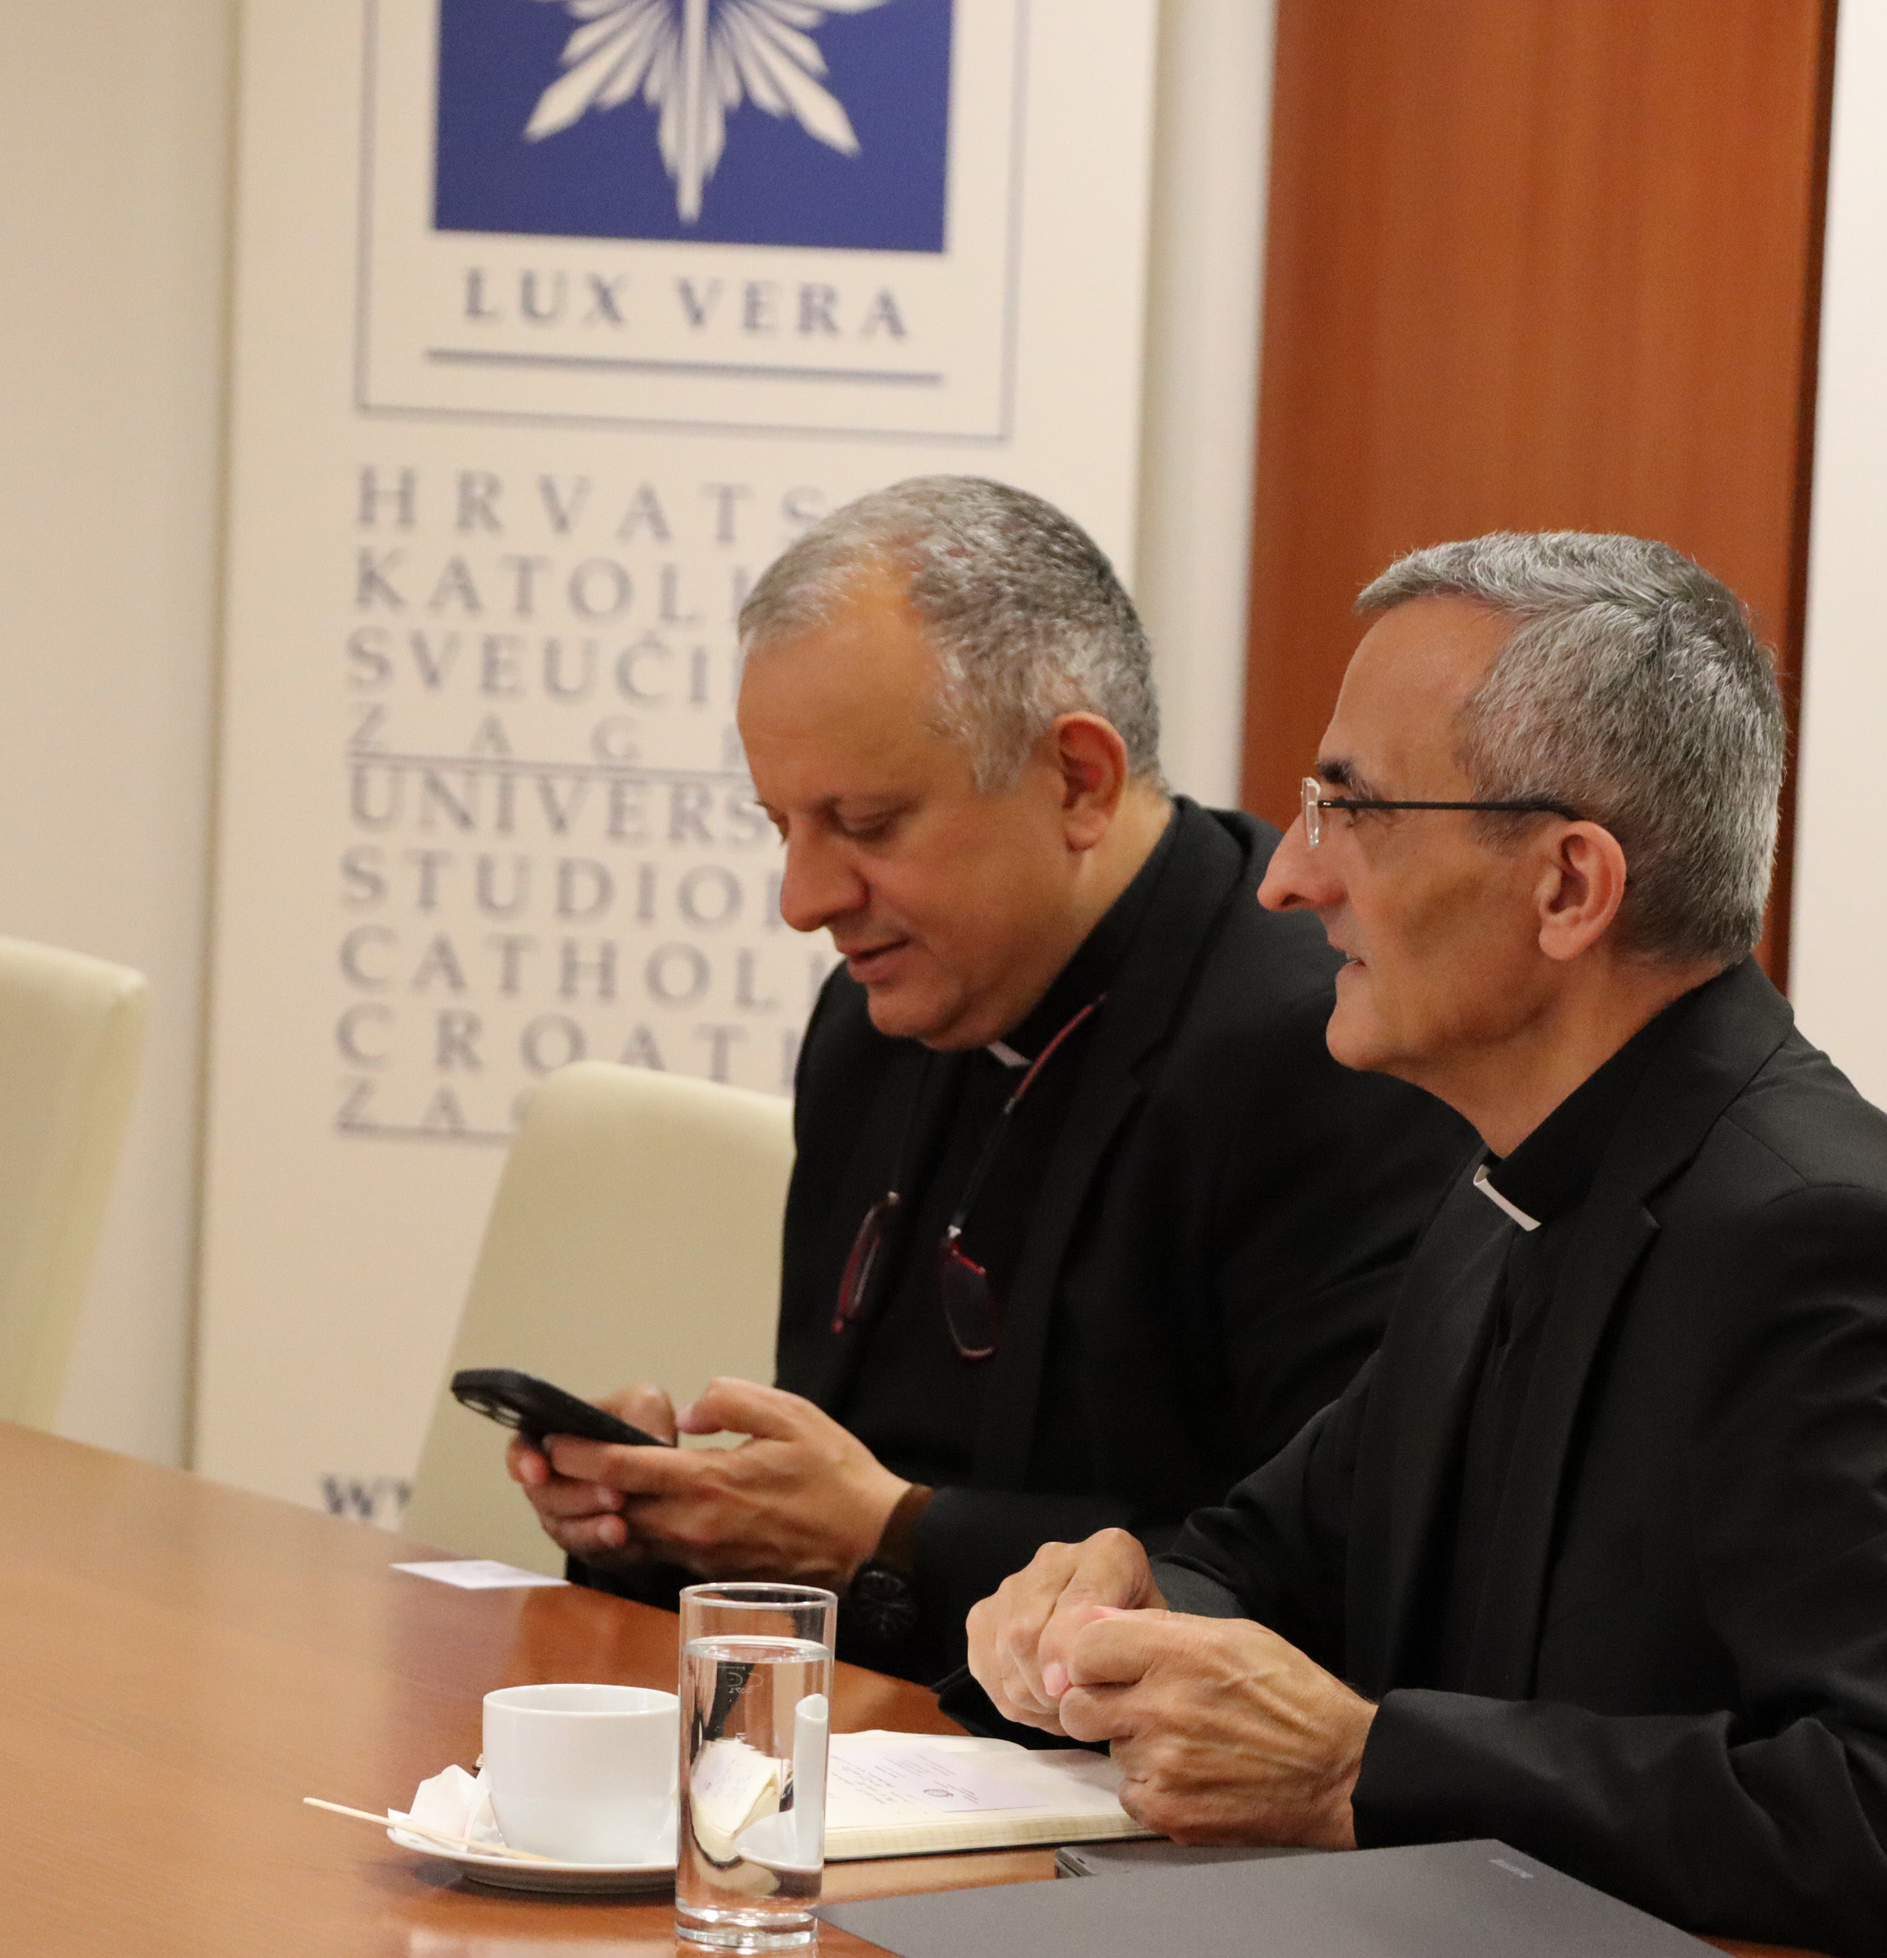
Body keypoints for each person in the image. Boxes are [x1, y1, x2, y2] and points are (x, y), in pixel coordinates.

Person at [959, 532, 1887, 1958]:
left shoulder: (1822, 1244)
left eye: (1352, 808)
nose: (1289, 876)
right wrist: (1114, 1612)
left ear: (1567, 885)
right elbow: (1267, 1554)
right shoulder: (1510, 1186)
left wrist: (1362, 1767)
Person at [502, 475, 1476, 1682]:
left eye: (865, 823)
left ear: (1078, 779)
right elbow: (836, 1526)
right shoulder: (874, 1022)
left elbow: (1331, 1581)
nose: (803, 900)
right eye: (780, 826)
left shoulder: (1324, 1049)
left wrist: (890, 1530)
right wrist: (676, 1517)